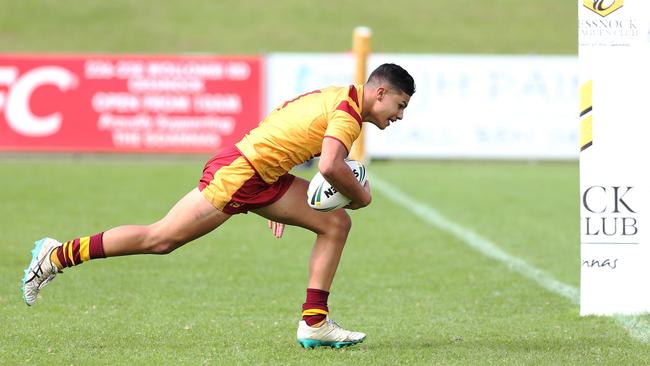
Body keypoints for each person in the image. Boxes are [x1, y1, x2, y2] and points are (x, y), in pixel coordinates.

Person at [21, 63, 415, 349]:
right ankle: (57, 255)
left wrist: (281, 187)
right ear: (379, 93)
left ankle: (314, 322)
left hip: (260, 175)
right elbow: (330, 165)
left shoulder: (337, 95)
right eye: (399, 105)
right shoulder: (348, 116)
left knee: (335, 225)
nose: (398, 115)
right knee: (160, 239)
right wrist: (363, 196)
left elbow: (286, 121)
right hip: (241, 174)